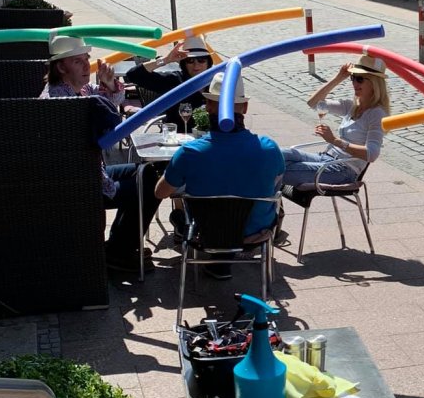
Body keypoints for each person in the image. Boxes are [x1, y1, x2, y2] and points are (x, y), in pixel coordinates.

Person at [39, 36, 161, 272]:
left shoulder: (77, 89)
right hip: (78, 185)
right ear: (61, 66)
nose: (87, 66)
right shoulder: (58, 104)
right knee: (150, 188)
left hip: (91, 173)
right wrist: (111, 187)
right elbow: (76, 161)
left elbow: (111, 101)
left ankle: (118, 245)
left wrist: (110, 83)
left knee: (147, 174)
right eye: (78, 61)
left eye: (86, 58)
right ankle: (119, 252)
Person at [155, 72, 284, 280]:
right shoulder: (269, 148)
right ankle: (221, 265)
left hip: (207, 232)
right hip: (256, 232)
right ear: (245, 108)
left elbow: (160, 192)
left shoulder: (190, 152)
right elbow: (278, 181)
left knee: (178, 214)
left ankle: (216, 263)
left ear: (207, 107)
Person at [279, 55, 389, 187]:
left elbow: (372, 154)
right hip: (326, 158)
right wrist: (338, 78)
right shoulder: (352, 105)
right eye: (353, 77)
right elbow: (314, 103)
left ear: (374, 83)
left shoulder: (377, 114)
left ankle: (262, 204)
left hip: (343, 170)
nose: (354, 83)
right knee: (278, 154)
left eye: (359, 79)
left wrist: (334, 140)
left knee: (275, 170)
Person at [124, 36, 213, 133]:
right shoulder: (174, 80)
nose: (196, 65)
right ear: (184, 63)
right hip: (178, 139)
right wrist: (166, 59)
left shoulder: (217, 82)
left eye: (201, 60)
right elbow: (133, 75)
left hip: (210, 139)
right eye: (190, 61)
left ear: (208, 62)